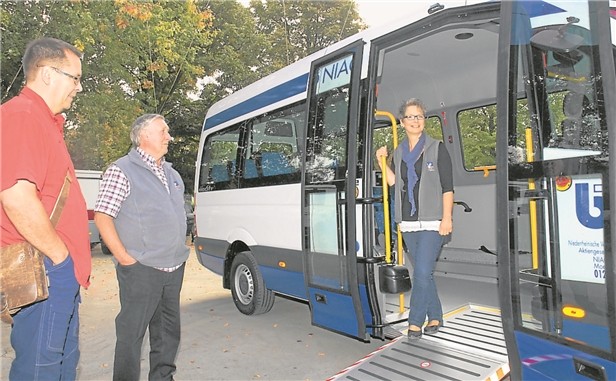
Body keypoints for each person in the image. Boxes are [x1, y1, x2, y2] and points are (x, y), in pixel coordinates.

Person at [0, 37, 91, 379]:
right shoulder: (23, 115)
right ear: (49, 74)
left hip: (54, 269)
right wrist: (61, 258)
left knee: (61, 366)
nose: (78, 88)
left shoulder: (43, 121)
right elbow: (15, 196)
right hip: (46, 267)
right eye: (75, 77)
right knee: (41, 369)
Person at [94, 113, 189, 381]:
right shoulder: (120, 170)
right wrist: (125, 259)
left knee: (168, 333)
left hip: (173, 267)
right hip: (141, 269)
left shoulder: (171, 173)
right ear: (144, 135)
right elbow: (103, 216)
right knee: (131, 334)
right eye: (163, 131)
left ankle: (163, 378)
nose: (169, 136)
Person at [376, 98, 454, 340]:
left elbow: (447, 187)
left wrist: (447, 218)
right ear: (402, 122)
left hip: (433, 222)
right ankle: (436, 315)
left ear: (424, 120)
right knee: (425, 274)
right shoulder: (398, 152)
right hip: (408, 223)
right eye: (410, 117)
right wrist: (381, 162)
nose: (415, 121)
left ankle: (415, 321)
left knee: (420, 272)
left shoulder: (437, 147)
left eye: (418, 116)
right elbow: (393, 183)